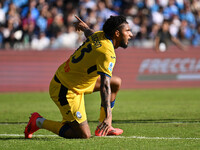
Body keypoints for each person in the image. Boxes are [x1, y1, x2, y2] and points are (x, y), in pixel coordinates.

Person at [24, 15, 133, 139]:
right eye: (128, 31)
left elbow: (90, 33)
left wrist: (85, 28)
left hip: (78, 82)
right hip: (65, 89)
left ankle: (104, 127)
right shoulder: (107, 53)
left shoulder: (99, 35)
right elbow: (104, 86)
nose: (131, 34)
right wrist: (109, 116)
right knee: (83, 134)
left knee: (116, 82)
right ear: (117, 33)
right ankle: (38, 121)